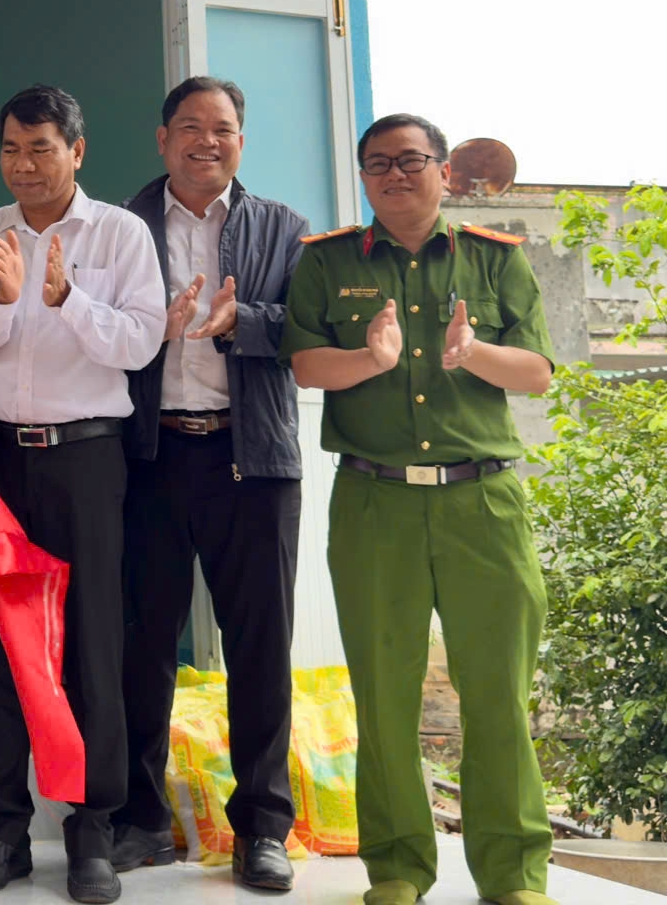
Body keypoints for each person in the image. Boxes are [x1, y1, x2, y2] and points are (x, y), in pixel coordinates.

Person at [282, 114, 557, 905]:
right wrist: (370, 358)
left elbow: (536, 372)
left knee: (500, 692)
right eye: (378, 165)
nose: (394, 176)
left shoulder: (493, 260)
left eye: (410, 161)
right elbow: (305, 366)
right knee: (385, 689)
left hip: (484, 502)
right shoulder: (327, 263)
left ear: (443, 171)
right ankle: (399, 868)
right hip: (375, 502)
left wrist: (472, 353)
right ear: (363, 177)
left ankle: (513, 874)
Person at [0, 86, 165, 905]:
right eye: (10, 148)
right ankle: (1, 834)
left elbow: (143, 342)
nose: (24, 164)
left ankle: (91, 833)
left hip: (87, 457)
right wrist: (4, 301)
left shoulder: (120, 233)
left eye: (40, 147)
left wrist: (66, 298)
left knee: (91, 647)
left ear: (78, 150)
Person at [112, 77, 310, 890]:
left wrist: (247, 323)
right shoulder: (119, 227)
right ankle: (137, 819)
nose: (206, 141)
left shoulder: (283, 228)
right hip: (148, 458)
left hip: (250, 459)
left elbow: (313, 332)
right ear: (162, 140)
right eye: (189, 127)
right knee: (139, 648)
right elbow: (85, 328)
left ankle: (262, 828)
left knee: (260, 649)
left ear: (241, 140)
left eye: (222, 128)